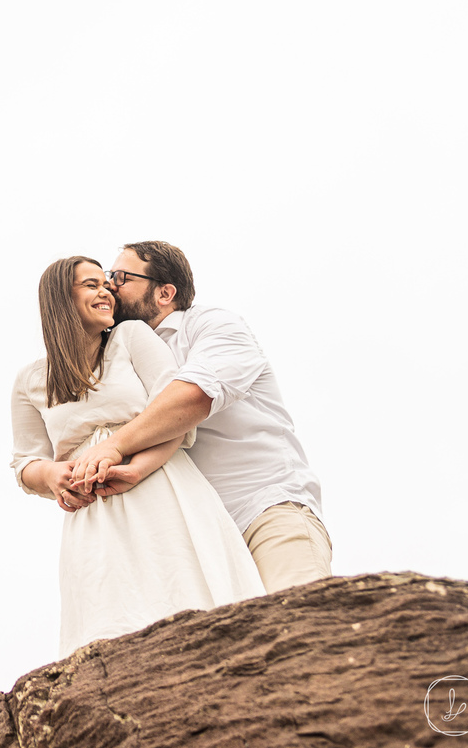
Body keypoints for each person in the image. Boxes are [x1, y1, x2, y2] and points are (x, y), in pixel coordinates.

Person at [11, 256, 264, 658]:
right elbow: (26, 461)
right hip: (93, 511)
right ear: (60, 298)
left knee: (182, 589)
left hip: (160, 485)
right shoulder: (30, 380)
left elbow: (174, 416)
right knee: (110, 617)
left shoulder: (131, 337)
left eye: (106, 284)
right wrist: (52, 476)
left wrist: (135, 469)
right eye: (91, 285)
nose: (106, 291)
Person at [71, 241, 332, 594]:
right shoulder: (115, 356)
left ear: (165, 293)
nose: (110, 287)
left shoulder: (214, 325)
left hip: (264, 511)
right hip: (195, 536)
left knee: (300, 610)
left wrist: (113, 447)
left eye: (120, 277)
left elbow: (193, 397)